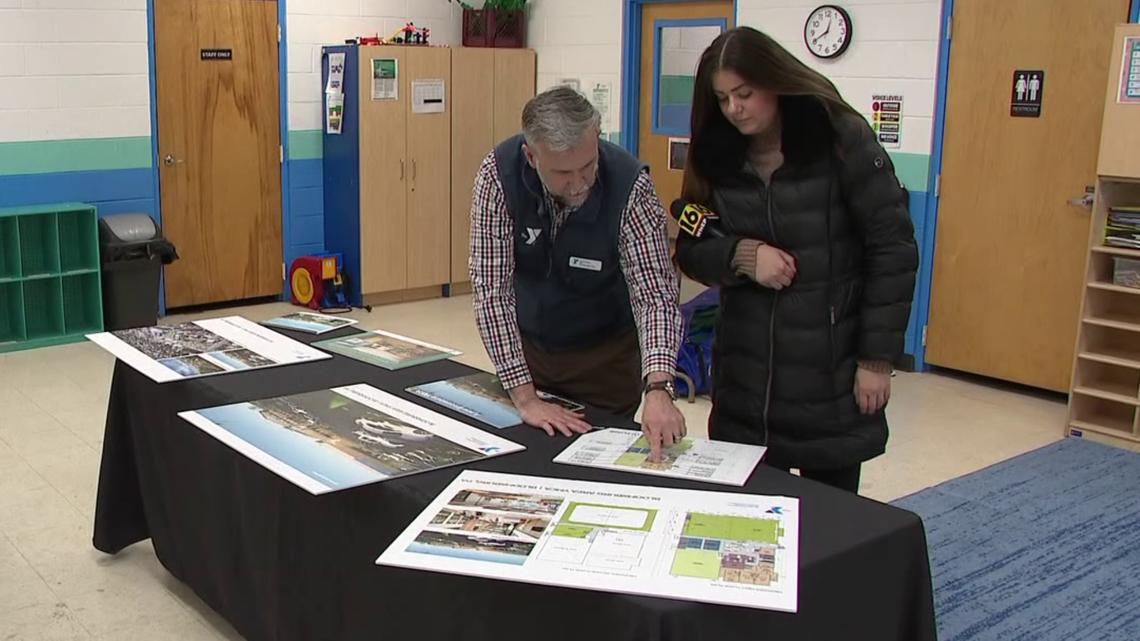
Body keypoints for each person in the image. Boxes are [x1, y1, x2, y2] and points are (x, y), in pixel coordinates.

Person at [674, 27, 918, 493]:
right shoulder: (714, 154)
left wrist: (877, 359)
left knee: (831, 525)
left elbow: (893, 248)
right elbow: (691, 246)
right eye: (723, 98)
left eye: (744, 94)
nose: (734, 109)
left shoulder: (840, 138)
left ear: (775, 81)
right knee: (753, 530)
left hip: (831, 375)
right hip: (747, 384)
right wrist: (744, 256)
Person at [469, 86, 686, 458]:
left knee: (594, 460)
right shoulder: (498, 176)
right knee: (532, 457)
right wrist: (525, 396)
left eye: (588, 165)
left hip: (607, 359)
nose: (580, 182)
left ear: (597, 138)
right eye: (563, 172)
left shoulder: (631, 186)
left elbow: (655, 295)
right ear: (531, 156)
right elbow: (491, 290)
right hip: (529, 354)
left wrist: (659, 387)